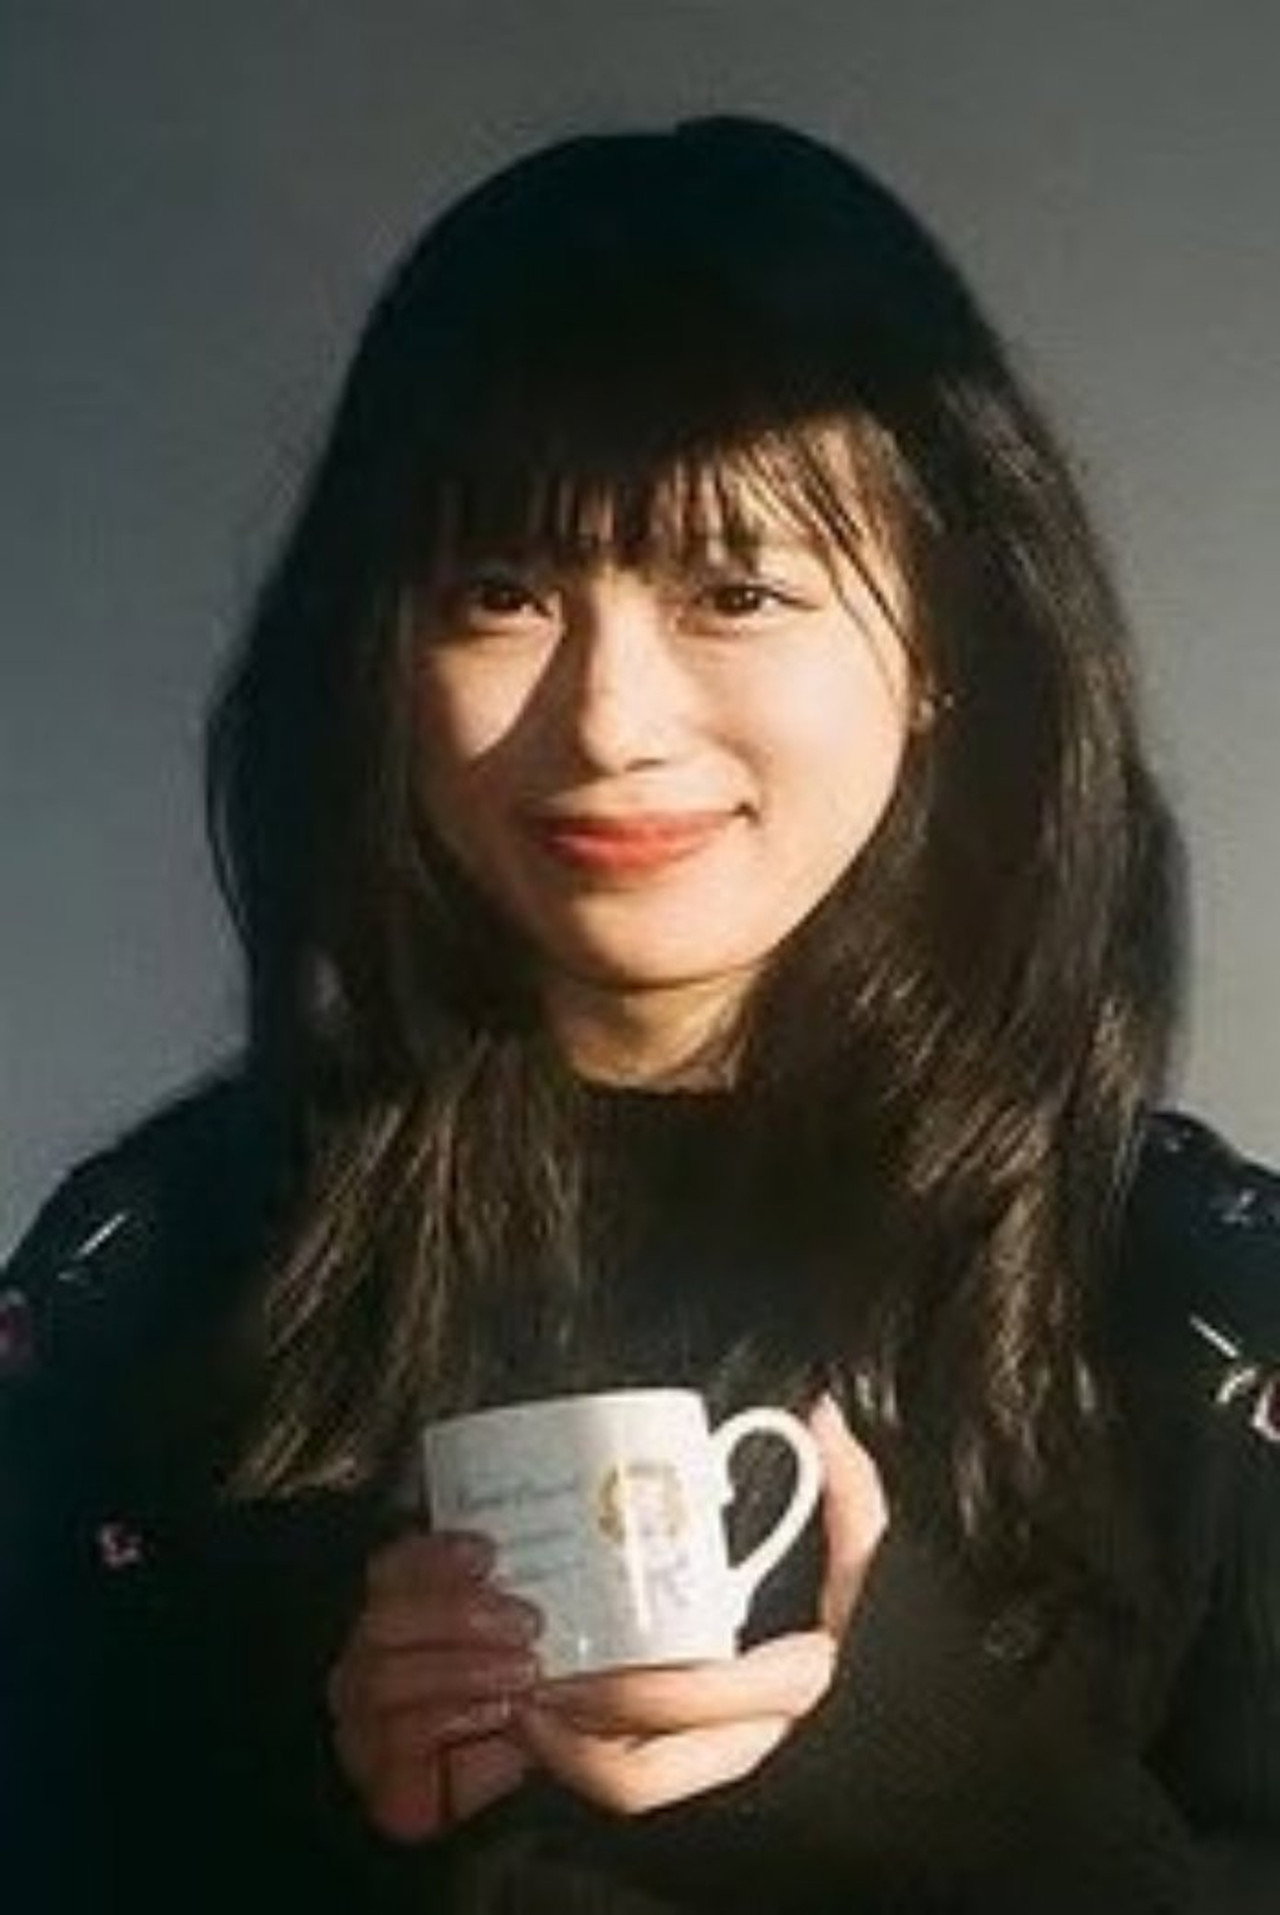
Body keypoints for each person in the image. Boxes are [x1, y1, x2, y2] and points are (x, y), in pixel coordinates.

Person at [3, 115, 1278, 1914]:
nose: (609, 722)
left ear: (944, 652)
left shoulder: (1195, 1306)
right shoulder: (157, 1271)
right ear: (379, 653)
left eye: (734, 591)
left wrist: (953, 1786)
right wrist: (306, 1777)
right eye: (502, 593)